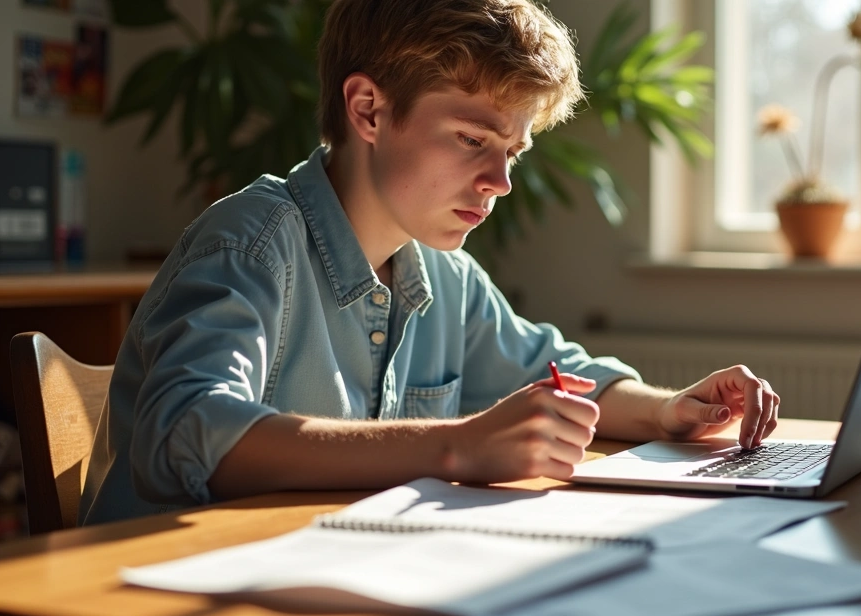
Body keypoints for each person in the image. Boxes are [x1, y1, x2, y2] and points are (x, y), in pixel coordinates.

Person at [79, 0, 779, 526]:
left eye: (513, 152)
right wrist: (454, 447)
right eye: (473, 139)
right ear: (369, 111)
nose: (500, 181)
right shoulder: (251, 244)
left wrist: (670, 412)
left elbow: (558, 374)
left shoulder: (443, 275)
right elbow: (188, 431)